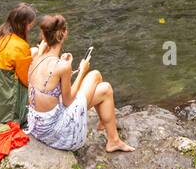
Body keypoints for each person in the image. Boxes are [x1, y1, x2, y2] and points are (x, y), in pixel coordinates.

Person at [25, 14, 134, 153]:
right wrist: (82, 71)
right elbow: (68, 101)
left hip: (37, 128)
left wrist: (63, 63)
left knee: (97, 77)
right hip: (56, 133)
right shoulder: (62, 66)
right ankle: (113, 140)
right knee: (103, 86)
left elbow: (48, 80)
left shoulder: (35, 54)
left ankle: (105, 123)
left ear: (44, 36)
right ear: (63, 34)